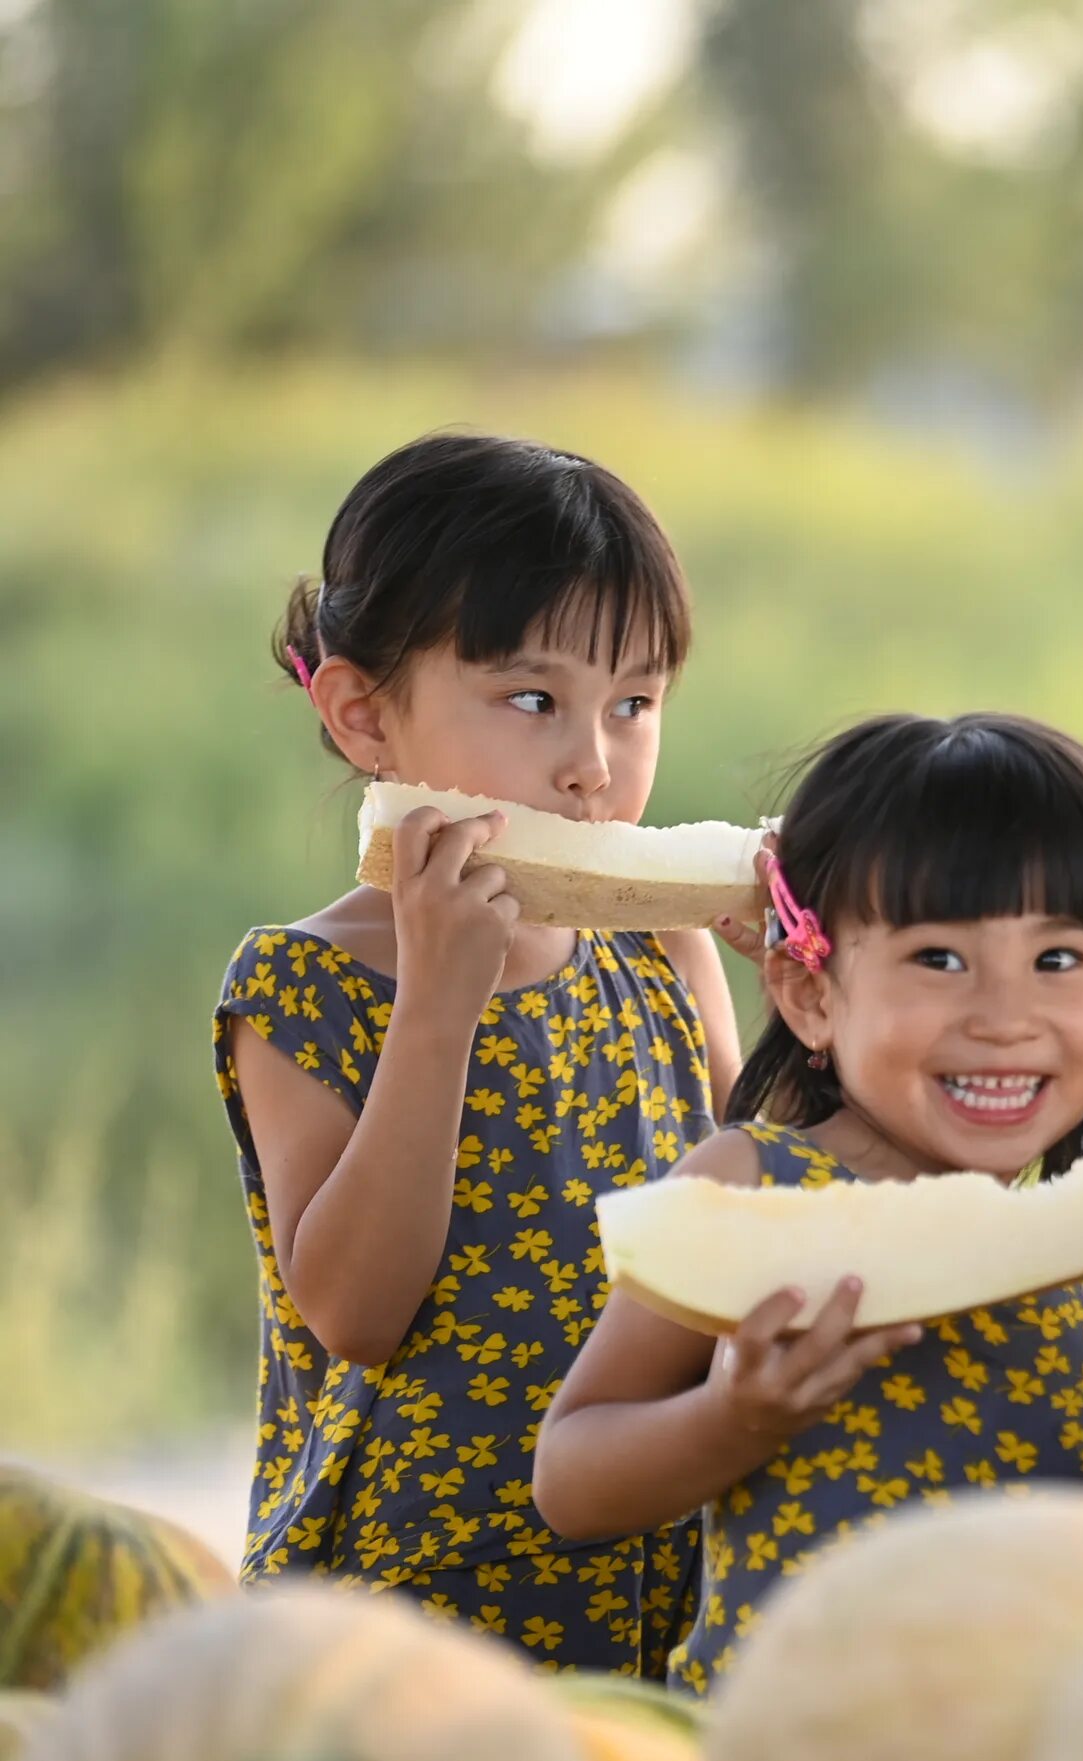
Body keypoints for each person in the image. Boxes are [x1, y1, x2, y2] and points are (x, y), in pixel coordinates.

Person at [214, 432, 734, 1672]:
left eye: (634, 704)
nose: (592, 766)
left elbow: (749, 1213)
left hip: (655, 1583)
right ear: (361, 714)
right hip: (408, 1618)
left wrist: (830, 1014)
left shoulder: (663, 948)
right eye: (532, 699)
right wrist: (439, 1004)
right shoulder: (305, 986)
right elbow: (354, 1309)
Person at [534, 713, 1083, 1692]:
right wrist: (733, 1416)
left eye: (1058, 960)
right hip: (791, 1760)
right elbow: (571, 1476)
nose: (1005, 1019)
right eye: (940, 960)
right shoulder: (752, 1189)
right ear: (812, 994)